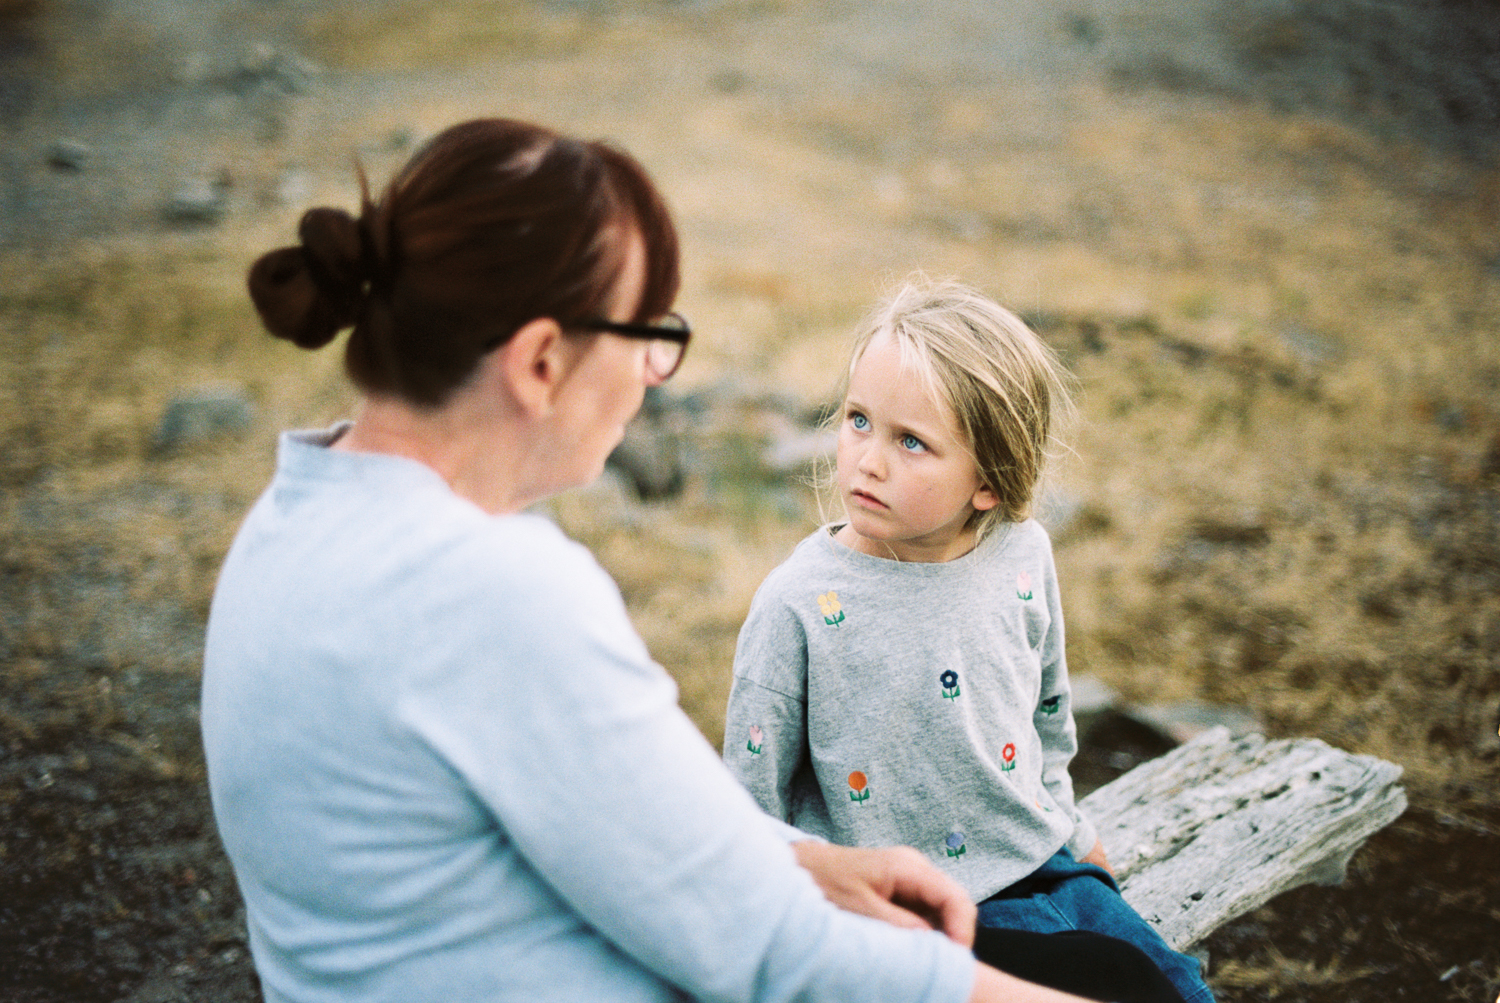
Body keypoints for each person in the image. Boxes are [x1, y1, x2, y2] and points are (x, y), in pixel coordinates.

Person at [200, 117, 1101, 1003]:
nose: (654, 372)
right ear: (542, 359)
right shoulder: (496, 594)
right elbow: (775, 957)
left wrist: (803, 859)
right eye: (648, 333)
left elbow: (593, 826)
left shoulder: (288, 521)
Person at [721, 280, 1214, 1003]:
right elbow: (752, 803)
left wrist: (1073, 830)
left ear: (988, 480)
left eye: (911, 441)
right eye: (859, 420)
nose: (869, 459)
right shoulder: (797, 605)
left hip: (1041, 861)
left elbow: (1045, 709)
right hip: (907, 909)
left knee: (1175, 987)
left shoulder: (1022, 555)